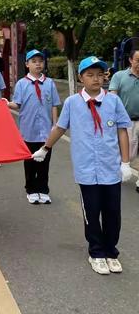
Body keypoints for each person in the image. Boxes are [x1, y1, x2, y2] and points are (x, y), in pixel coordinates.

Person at [32, 56, 132, 275]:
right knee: (92, 211)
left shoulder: (113, 101)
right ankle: (96, 252)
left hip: (110, 168)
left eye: (100, 74)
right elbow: (59, 128)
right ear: (81, 78)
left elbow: (123, 130)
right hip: (87, 169)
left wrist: (125, 163)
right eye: (90, 75)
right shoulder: (72, 103)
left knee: (113, 212)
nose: (96, 79)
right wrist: (45, 148)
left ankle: (111, 252)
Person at [7, 49, 61, 202]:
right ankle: (30, 189)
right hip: (28, 129)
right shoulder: (22, 84)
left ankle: (43, 190)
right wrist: (5, 104)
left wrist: (55, 124)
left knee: (45, 161)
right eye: (34, 61)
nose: (38, 64)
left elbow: (54, 105)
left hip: (46, 131)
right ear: (27, 64)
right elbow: (17, 104)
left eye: (40, 61)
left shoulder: (49, 83)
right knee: (30, 160)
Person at [109, 49, 139, 192]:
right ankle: (120, 168)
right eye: (138, 60)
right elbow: (112, 98)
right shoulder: (119, 76)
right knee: (130, 154)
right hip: (127, 122)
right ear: (131, 60)